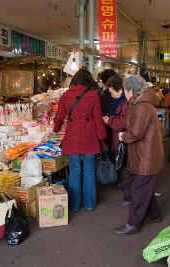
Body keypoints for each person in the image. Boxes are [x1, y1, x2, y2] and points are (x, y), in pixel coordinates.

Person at [114, 74, 164, 236]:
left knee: (138, 190)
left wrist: (123, 136)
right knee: (144, 188)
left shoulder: (142, 106)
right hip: (146, 153)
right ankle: (154, 215)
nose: (124, 93)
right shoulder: (143, 104)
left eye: (125, 90)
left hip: (146, 157)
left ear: (130, 90)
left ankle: (133, 224)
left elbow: (136, 133)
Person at [53, 68, 106, 212]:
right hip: (89, 137)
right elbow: (97, 120)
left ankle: (74, 205)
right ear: (88, 80)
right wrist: (102, 138)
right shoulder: (93, 95)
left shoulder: (65, 95)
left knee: (75, 170)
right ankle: (89, 204)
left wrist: (56, 129)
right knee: (89, 170)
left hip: (72, 137)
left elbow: (58, 117)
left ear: (74, 80)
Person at [102, 75, 130, 200]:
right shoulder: (117, 101)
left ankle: (129, 194)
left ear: (117, 88)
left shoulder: (125, 102)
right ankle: (126, 189)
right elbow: (114, 114)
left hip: (122, 139)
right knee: (120, 163)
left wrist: (109, 121)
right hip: (116, 138)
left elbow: (123, 123)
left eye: (111, 91)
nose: (111, 94)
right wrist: (108, 117)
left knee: (124, 165)